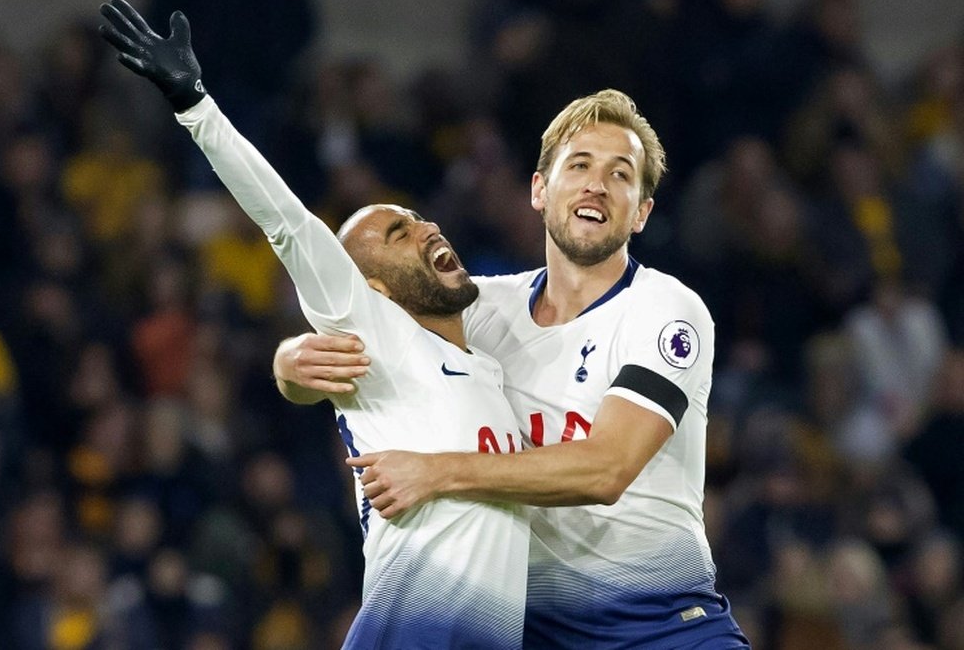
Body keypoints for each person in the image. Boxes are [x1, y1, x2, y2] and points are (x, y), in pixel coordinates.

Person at [97, 0, 529, 649]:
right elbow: (289, 224)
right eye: (397, 230)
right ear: (372, 287)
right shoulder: (377, 331)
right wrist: (196, 107)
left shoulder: (496, 365)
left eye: (419, 218)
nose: (426, 228)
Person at [275, 88, 751, 647]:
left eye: (621, 174)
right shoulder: (477, 312)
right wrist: (291, 366)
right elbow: (362, 330)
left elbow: (607, 469)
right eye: (579, 165)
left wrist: (438, 472)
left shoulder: (666, 311)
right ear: (539, 190)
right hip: (532, 635)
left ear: (642, 212)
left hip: (661, 630)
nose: (597, 183)